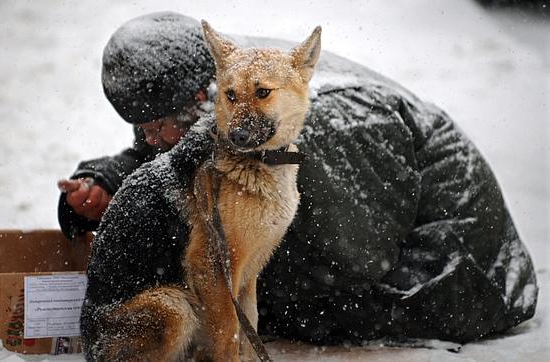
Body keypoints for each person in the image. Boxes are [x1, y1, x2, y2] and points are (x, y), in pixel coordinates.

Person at [57, 12, 538, 358]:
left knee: (290, 302)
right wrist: (104, 181)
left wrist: (236, 270)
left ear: (197, 98)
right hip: (372, 215)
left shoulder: (308, 127)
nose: (151, 141)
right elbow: (179, 163)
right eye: (142, 131)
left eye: (158, 127)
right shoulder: (234, 83)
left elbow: (356, 258)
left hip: (461, 261)